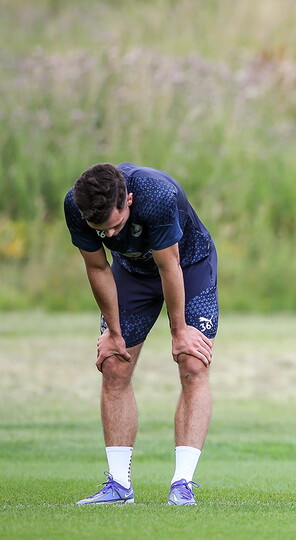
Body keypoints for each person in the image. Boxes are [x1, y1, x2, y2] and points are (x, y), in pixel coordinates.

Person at [65, 163, 218, 506]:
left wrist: (179, 331)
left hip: (188, 266)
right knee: (114, 364)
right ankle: (119, 486)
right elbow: (97, 266)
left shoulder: (156, 195)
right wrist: (113, 332)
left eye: (116, 226)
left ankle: (182, 485)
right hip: (133, 273)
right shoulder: (76, 205)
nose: (110, 236)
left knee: (192, 362)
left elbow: (169, 265)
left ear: (129, 200)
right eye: (101, 231)